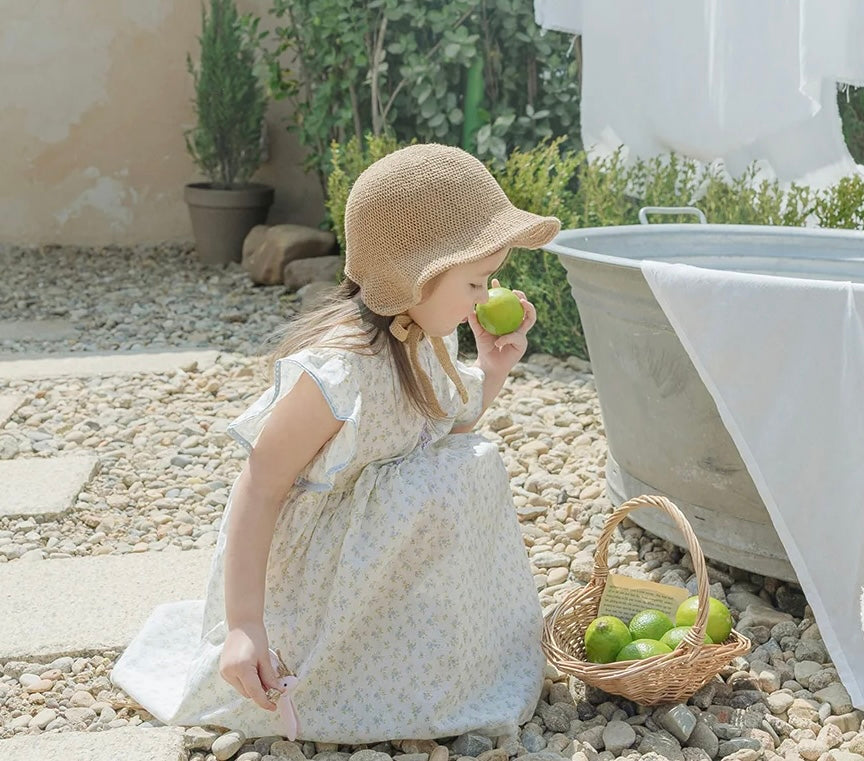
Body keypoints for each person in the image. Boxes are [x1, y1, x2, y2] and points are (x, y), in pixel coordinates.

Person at [110, 143, 562, 744]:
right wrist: (244, 626)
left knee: (470, 464)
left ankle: (434, 657)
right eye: (475, 282)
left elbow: (440, 426)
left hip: (384, 561)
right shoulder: (338, 374)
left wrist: (493, 367)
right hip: (327, 578)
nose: (485, 297)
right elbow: (260, 487)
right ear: (413, 273)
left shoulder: (423, 335)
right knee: (450, 480)